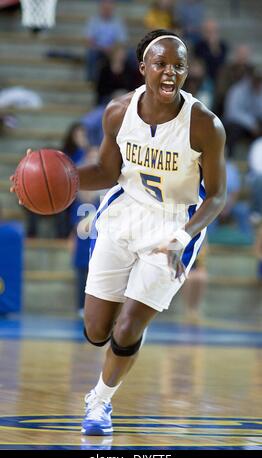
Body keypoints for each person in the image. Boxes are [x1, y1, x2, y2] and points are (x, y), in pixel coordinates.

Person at [10, 29, 226, 436]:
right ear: (143, 68)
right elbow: (109, 172)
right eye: (160, 64)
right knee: (96, 331)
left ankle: (99, 401)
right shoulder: (117, 112)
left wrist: (183, 238)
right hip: (124, 212)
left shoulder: (204, 125)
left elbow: (217, 196)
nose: (169, 73)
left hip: (175, 225)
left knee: (127, 328)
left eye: (178, 66)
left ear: (185, 72)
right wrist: (48, 177)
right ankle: (119, 350)